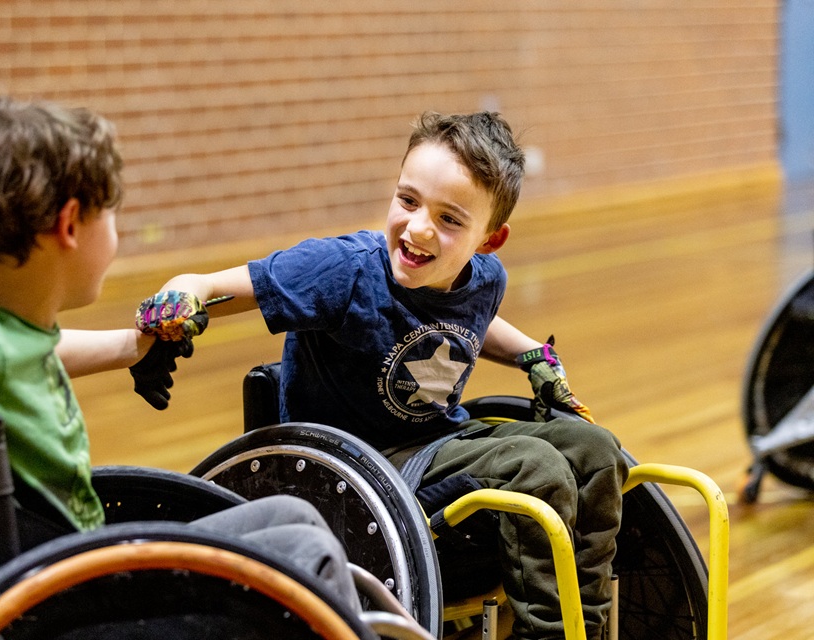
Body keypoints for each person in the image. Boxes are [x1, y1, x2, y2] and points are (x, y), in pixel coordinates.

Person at [0, 95, 359, 640]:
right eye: (111, 215)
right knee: (306, 552)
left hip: (73, 572)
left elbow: (35, 351)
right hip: (65, 605)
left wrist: (132, 347)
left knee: (295, 516)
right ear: (71, 224)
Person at [138, 111, 628, 640]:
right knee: (536, 467)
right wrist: (176, 300)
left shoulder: (485, 279)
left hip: (435, 441)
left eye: (450, 219)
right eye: (408, 200)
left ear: (490, 240)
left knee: (597, 450)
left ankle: (590, 628)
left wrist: (532, 354)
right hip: (357, 469)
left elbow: (466, 321)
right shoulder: (341, 269)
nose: (418, 227)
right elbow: (208, 284)